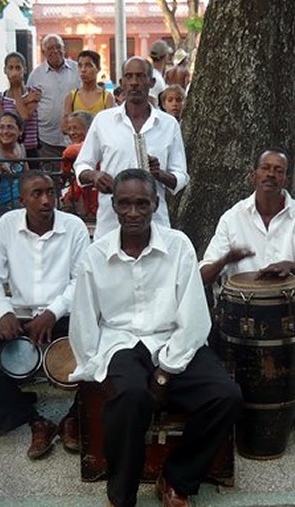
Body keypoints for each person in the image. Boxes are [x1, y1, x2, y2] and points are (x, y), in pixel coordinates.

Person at [68, 169, 242, 507]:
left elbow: (192, 317)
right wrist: (93, 370)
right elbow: (85, 320)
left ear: (155, 204)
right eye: (125, 204)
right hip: (120, 342)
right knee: (132, 397)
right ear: (114, 205)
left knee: (227, 396)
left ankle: (177, 478)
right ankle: (122, 495)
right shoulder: (95, 255)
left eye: (142, 204)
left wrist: (166, 370)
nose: (133, 212)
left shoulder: (178, 246)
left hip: (173, 338)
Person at [199, 148, 295, 441]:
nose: (271, 174)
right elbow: (204, 272)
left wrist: (290, 265)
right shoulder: (233, 217)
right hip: (240, 311)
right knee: (216, 336)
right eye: (265, 168)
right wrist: (225, 260)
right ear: (253, 174)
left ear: (286, 177)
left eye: (278, 169)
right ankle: (226, 407)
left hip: (286, 309)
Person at [0, 170, 90, 458]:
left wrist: (53, 312)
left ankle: (73, 418)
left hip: (63, 315)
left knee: (101, 351)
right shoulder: (7, 225)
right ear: (22, 199)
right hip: (20, 316)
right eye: (37, 194)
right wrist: (4, 312)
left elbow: (83, 280)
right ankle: (35, 420)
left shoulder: (74, 226)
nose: (46, 200)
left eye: (50, 192)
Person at [74, 57, 188, 239]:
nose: (134, 82)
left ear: (151, 82)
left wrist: (160, 174)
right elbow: (81, 166)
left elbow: (181, 176)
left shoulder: (168, 124)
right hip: (110, 224)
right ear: (121, 83)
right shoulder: (103, 121)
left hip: (155, 223)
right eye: (129, 77)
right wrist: (95, 176)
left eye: (140, 76)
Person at [27, 34, 81, 160]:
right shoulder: (36, 75)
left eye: (58, 47)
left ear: (64, 49)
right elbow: (30, 104)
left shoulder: (77, 69)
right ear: (44, 52)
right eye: (51, 48)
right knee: (51, 178)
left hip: (76, 138)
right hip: (47, 140)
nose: (55, 51)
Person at [0, 52, 41, 163]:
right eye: (11, 68)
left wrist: (17, 89)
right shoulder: (0, 98)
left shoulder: (34, 92)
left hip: (30, 150)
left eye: (18, 68)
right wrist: (26, 100)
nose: (14, 72)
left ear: (24, 69)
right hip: (10, 151)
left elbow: (24, 116)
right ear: (5, 70)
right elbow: (5, 122)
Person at [61, 50, 114, 133]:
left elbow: (111, 126)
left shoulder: (107, 97)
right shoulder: (71, 97)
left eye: (88, 65)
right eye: (80, 66)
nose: (83, 70)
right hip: (78, 145)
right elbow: (64, 128)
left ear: (98, 69)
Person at [0, 111, 29, 215]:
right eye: (1, 127)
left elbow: (27, 177)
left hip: (16, 202)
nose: (5, 131)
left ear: (20, 131)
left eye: (10, 127)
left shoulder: (21, 147)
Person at [60, 110, 98, 218]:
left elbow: (71, 151)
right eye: (69, 129)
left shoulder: (96, 144)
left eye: (76, 128)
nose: (72, 133)